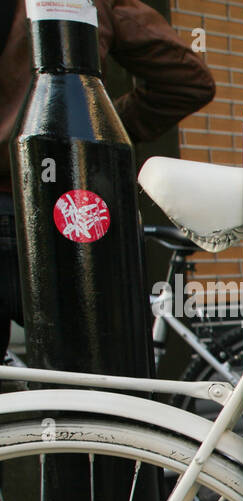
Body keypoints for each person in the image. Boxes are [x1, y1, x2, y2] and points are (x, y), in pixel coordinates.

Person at [0, 0, 215, 357]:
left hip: (50, 207)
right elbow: (186, 81)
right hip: (65, 212)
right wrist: (93, 130)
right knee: (95, 380)